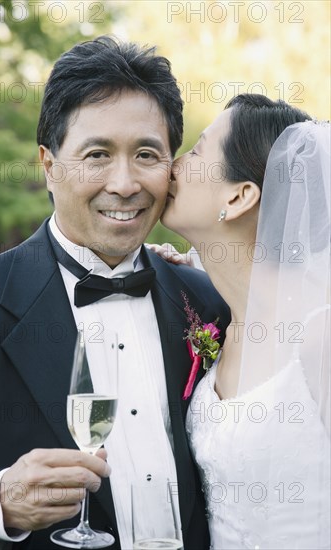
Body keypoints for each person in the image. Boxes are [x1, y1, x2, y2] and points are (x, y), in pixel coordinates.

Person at [0, 36, 230, 550]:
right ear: (48, 164)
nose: (126, 183)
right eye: (97, 154)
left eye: (147, 154)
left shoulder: (211, 302)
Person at [161, 94, 330, 549]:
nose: (171, 165)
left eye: (196, 151)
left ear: (238, 196)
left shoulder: (320, 336)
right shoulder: (218, 317)